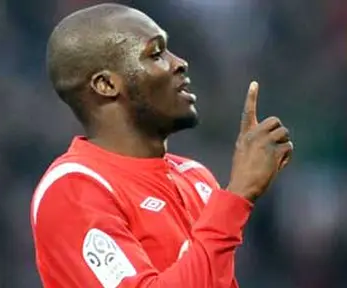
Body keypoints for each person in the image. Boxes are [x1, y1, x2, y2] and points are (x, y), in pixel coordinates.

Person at [30, 3, 293, 288]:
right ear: (106, 84)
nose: (180, 62)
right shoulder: (74, 188)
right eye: (156, 54)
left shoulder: (195, 178)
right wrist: (238, 195)